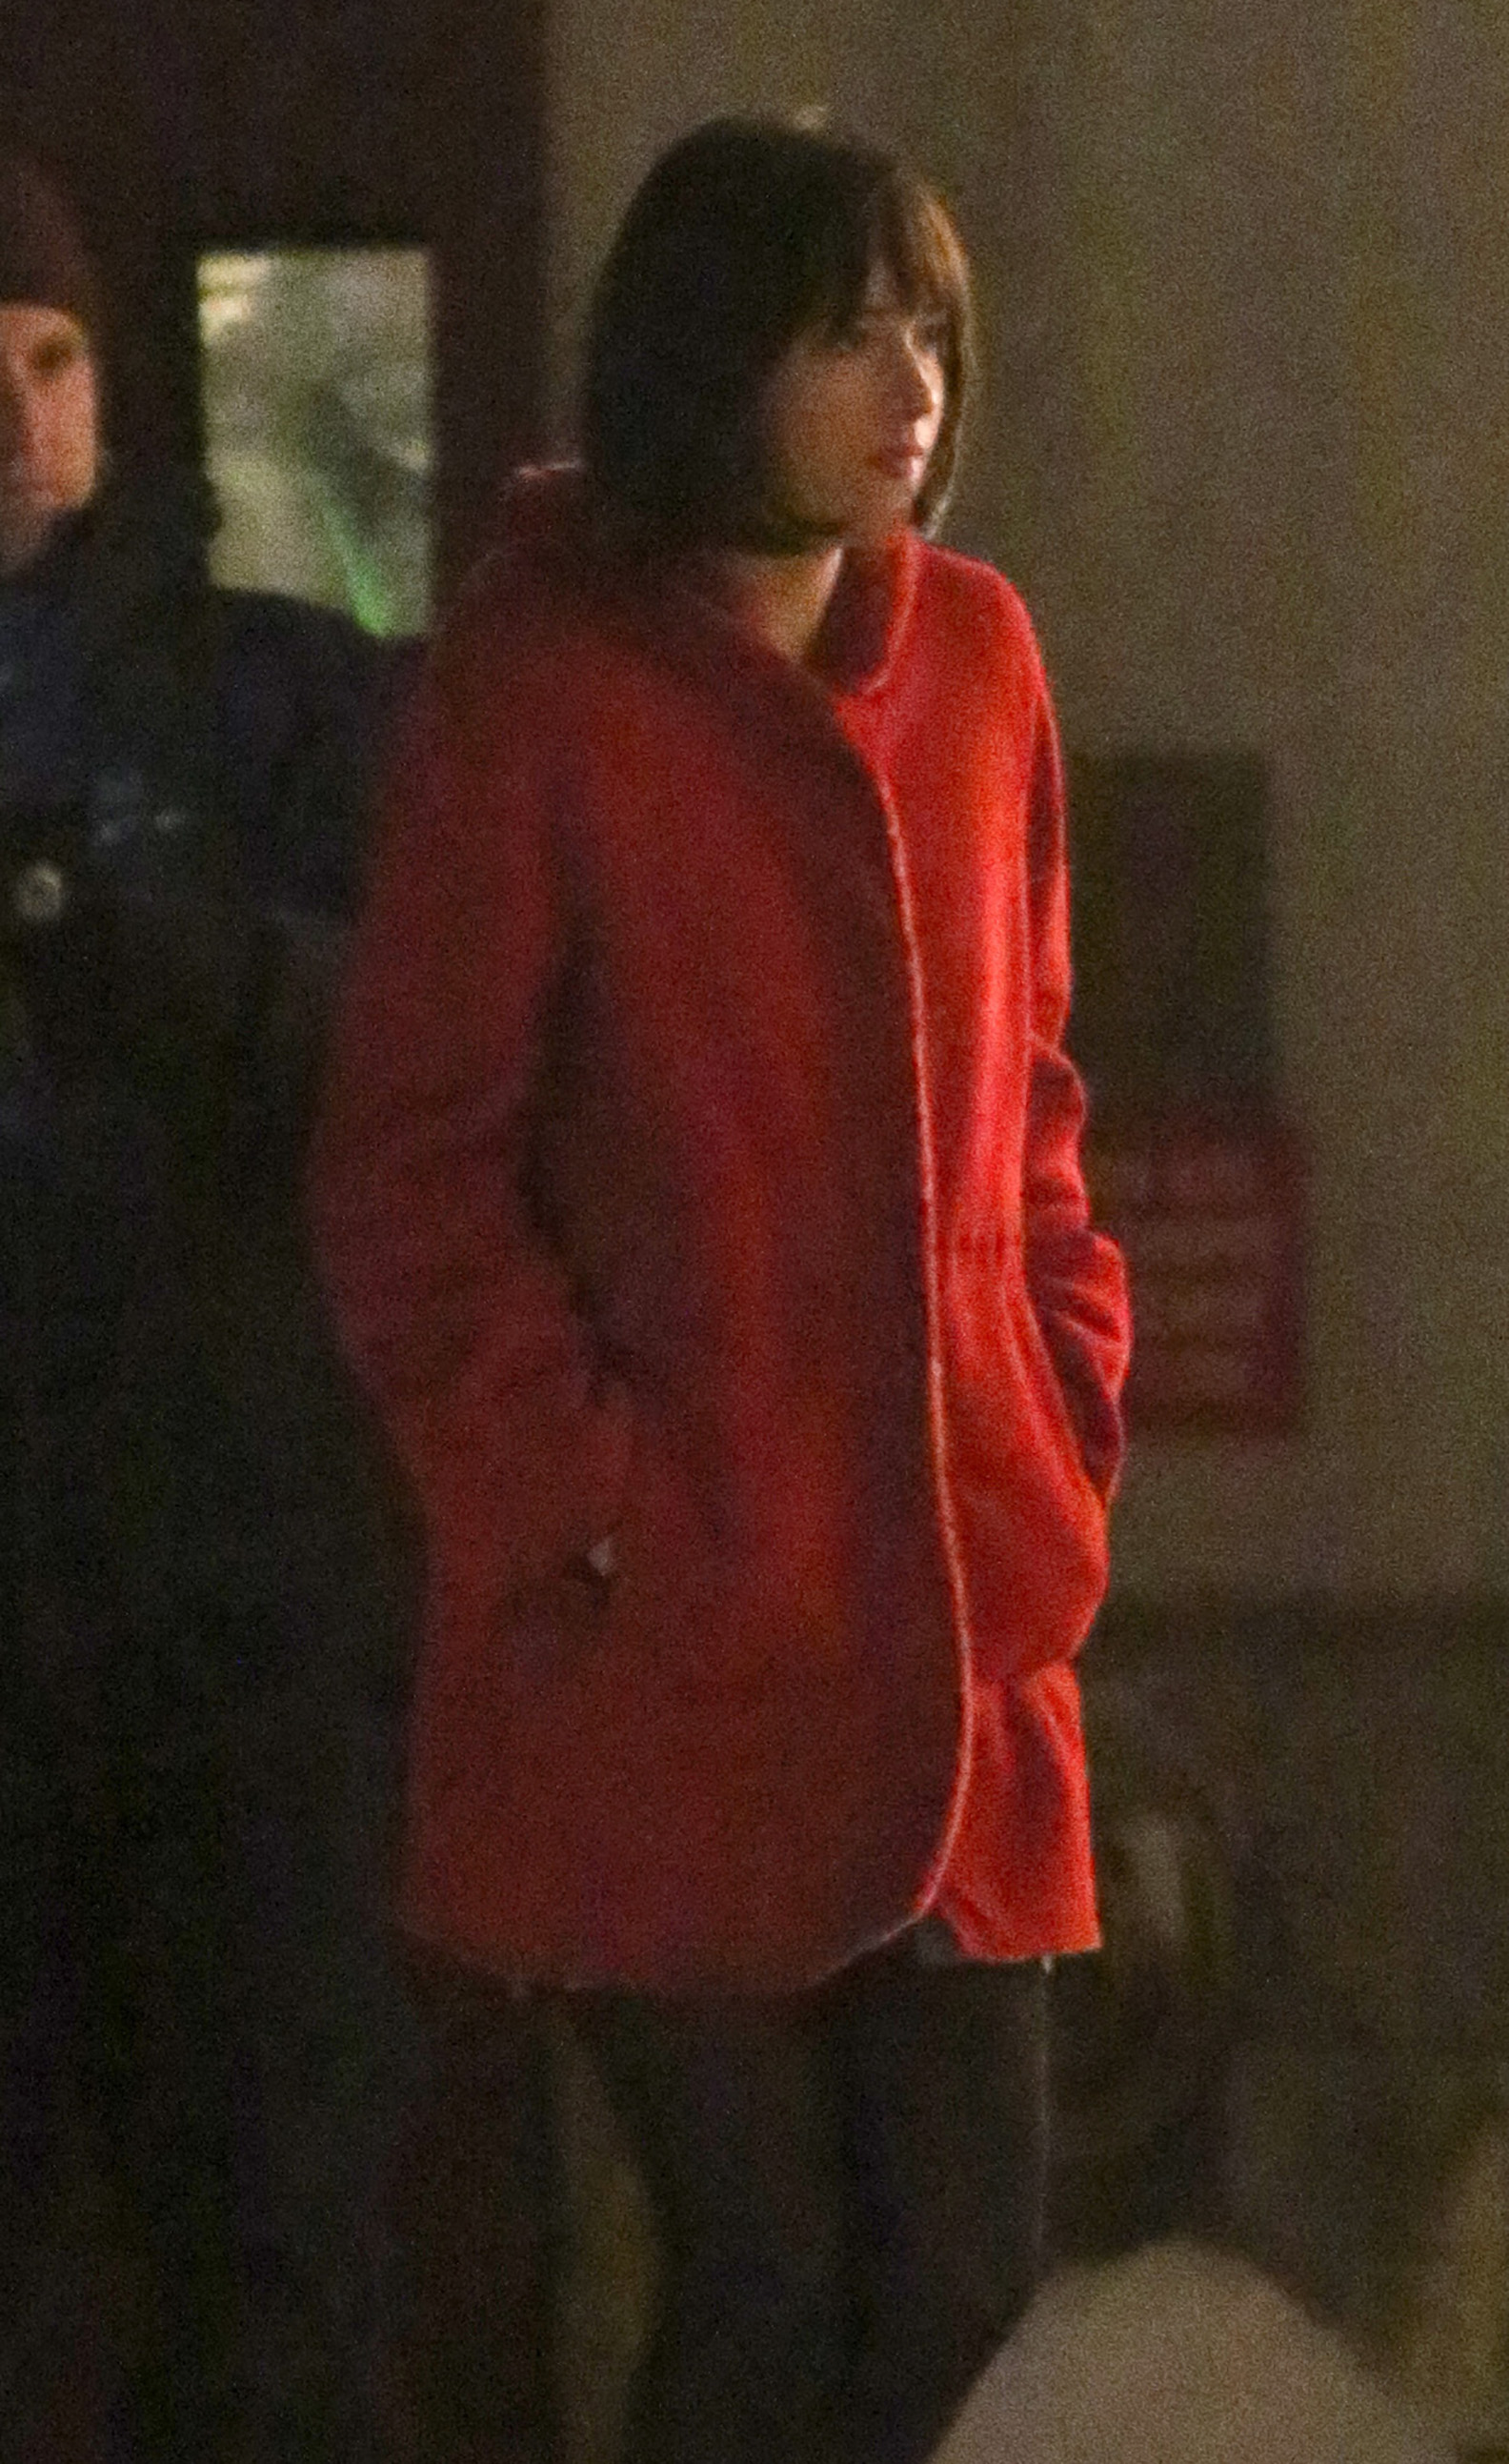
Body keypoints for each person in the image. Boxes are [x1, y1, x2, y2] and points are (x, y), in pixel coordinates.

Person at [312, 115, 1131, 2464]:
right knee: (763, 2288)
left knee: (962, 2278)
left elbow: (1038, 1091)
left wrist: (1059, 1401)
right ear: (708, 355)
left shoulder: (974, 658)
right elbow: (412, 1175)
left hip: (956, 1600)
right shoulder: (543, 688)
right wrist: (590, 1505)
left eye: (929, 329)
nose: (914, 385)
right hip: (665, 1635)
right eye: (849, 332)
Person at [0, 147, 415, 2462]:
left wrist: (143, 956)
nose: (21, 423)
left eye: (53, 360)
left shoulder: (263, 695)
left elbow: (415, 1037)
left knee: (271, 2278)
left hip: (228, 1607)